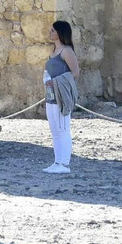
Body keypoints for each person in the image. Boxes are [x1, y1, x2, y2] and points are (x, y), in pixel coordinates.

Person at [43, 20, 80, 174]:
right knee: (55, 130)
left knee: (63, 129)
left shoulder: (66, 51)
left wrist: (57, 82)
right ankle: (57, 161)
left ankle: (64, 163)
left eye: (53, 30)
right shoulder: (53, 51)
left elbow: (75, 72)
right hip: (50, 94)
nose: (50, 32)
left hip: (61, 94)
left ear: (60, 32)